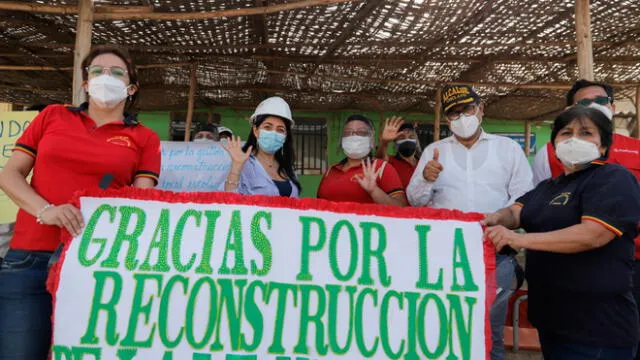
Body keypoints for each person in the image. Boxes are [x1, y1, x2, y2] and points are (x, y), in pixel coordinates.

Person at [0, 45, 161, 359]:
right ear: (85, 83)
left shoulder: (144, 138)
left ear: (131, 87)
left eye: (117, 72)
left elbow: (142, 203)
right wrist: (45, 211)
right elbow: (10, 175)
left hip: (95, 265)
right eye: (98, 71)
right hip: (28, 260)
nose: (106, 77)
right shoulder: (51, 116)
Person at [485, 105, 640, 360]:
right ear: (554, 143)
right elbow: (515, 213)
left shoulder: (613, 178)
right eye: (566, 133)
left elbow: (593, 234)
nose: (574, 139)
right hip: (553, 322)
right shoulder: (548, 187)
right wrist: (494, 218)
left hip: (597, 328)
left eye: (586, 133)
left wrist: (519, 239)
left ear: (603, 146)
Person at [406, 85, 533, 360]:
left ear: (481, 109)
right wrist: (426, 179)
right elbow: (415, 201)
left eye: (468, 109)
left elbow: (524, 199)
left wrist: (501, 218)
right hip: (443, 255)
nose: (462, 117)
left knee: (489, 332)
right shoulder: (434, 151)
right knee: (442, 326)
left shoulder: (508, 149)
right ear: (447, 118)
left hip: (495, 254)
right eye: (454, 112)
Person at [532, 79, 640, 359]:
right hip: (566, 270)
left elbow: (594, 233)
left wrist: (518, 238)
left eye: (601, 101)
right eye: (583, 103)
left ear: (613, 107)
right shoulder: (549, 158)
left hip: (627, 265)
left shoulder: (635, 150)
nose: (593, 107)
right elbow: (537, 205)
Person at [317, 114, 407, 206]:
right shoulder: (331, 170)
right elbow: (318, 205)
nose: (354, 137)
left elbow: (401, 207)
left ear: (371, 139)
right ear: (342, 139)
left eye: (361, 132)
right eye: (348, 132)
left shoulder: (382, 168)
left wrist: (374, 191)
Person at [222, 96, 300, 198]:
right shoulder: (242, 163)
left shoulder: (289, 169)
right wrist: (236, 166)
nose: (273, 133)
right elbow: (228, 200)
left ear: (285, 136)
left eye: (280, 129)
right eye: (267, 127)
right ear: (256, 131)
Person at [375, 116, 421, 188]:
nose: (407, 140)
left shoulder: (422, 163)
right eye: (402, 137)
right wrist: (384, 142)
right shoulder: (390, 161)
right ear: (395, 142)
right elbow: (379, 159)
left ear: (417, 141)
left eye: (411, 137)